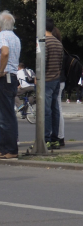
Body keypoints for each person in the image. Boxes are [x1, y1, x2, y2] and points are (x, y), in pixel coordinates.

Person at [0, 11, 21, 159]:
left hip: (3, 79)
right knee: (3, 115)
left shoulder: (2, 36)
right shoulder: (15, 37)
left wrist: (0, 71)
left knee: (5, 116)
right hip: (11, 78)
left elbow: (5, 53)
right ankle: (1, 148)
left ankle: (10, 149)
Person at [43, 19, 64, 149]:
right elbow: (61, 63)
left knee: (46, 110)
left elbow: (43, 62)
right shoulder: (58, 43)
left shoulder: (44, 42)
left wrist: (38, 77)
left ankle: (47, 138)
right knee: (55, 109)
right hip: (56, 79)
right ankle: (55, 138)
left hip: (46, 80)